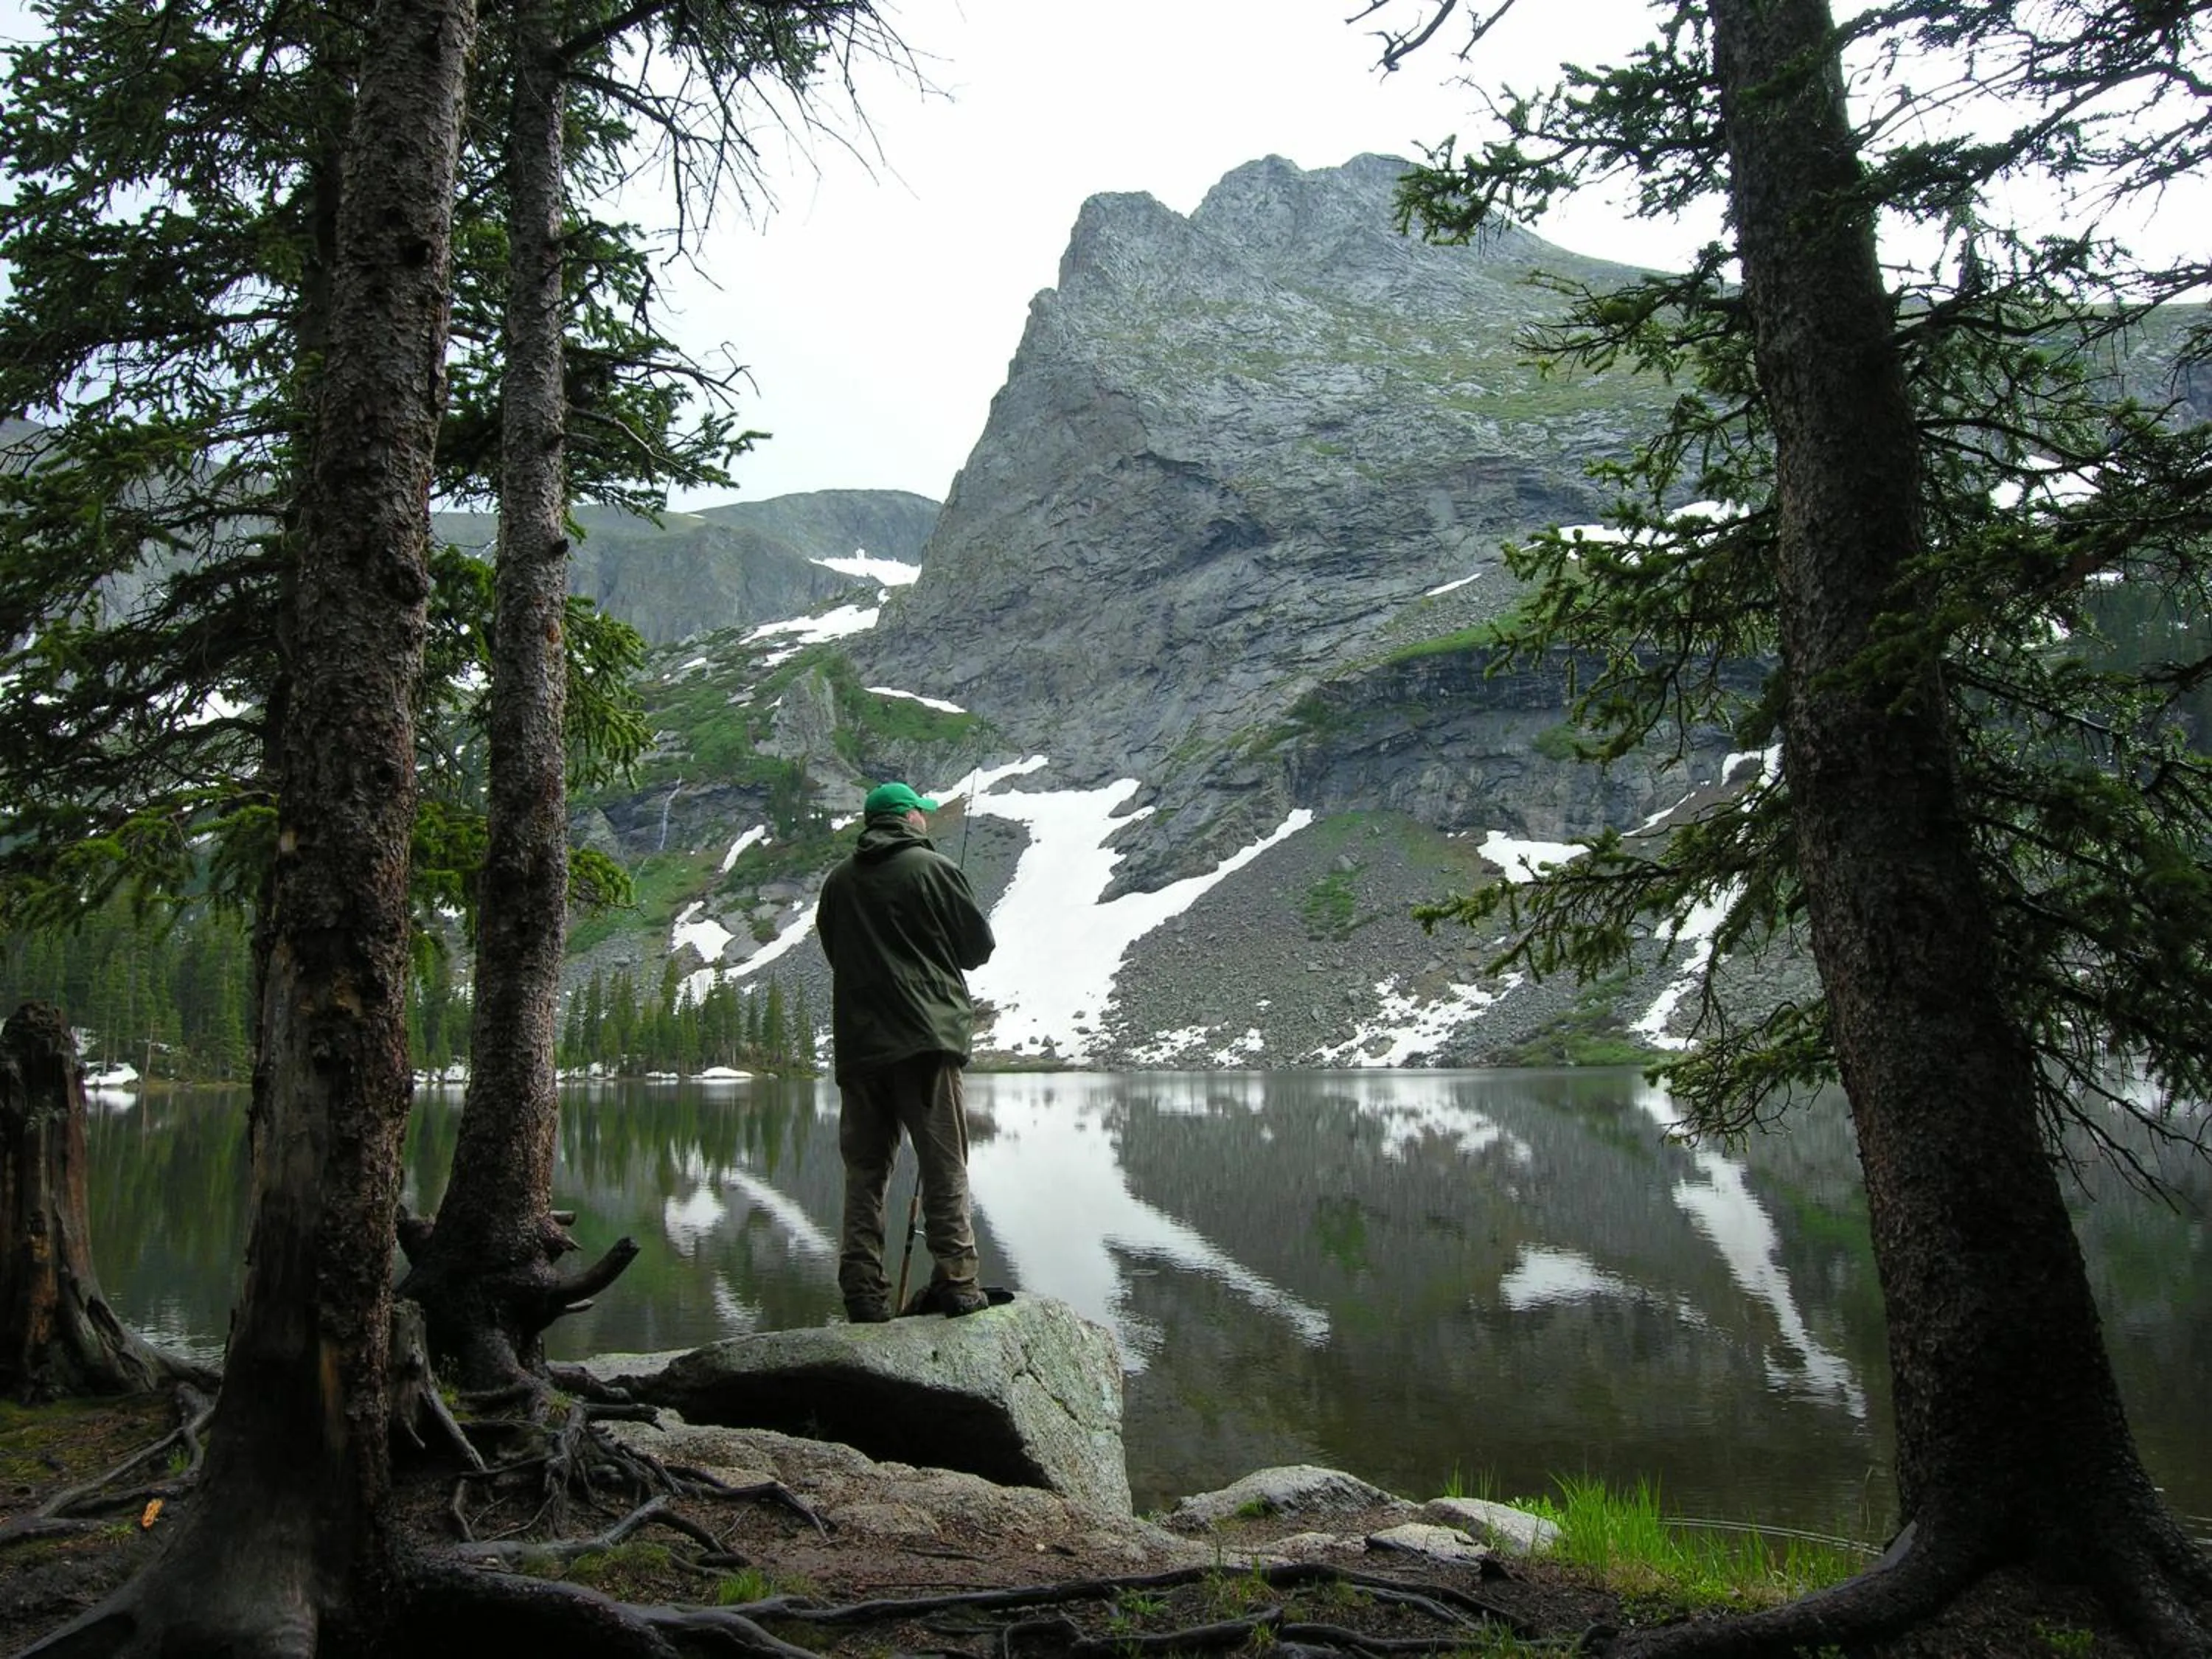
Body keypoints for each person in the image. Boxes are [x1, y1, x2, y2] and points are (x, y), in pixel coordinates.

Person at [815, 780, 997, 1322]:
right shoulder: (931, 869)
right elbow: (977, 949)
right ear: (908, 817)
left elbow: (834, 951)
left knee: (865, 1173)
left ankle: (863, 1294)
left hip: (861, 1049)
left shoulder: (838, 882)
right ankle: (959, 1282)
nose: (925, 819)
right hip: (925, 1041)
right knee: (944, 1164)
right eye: (922, 812)